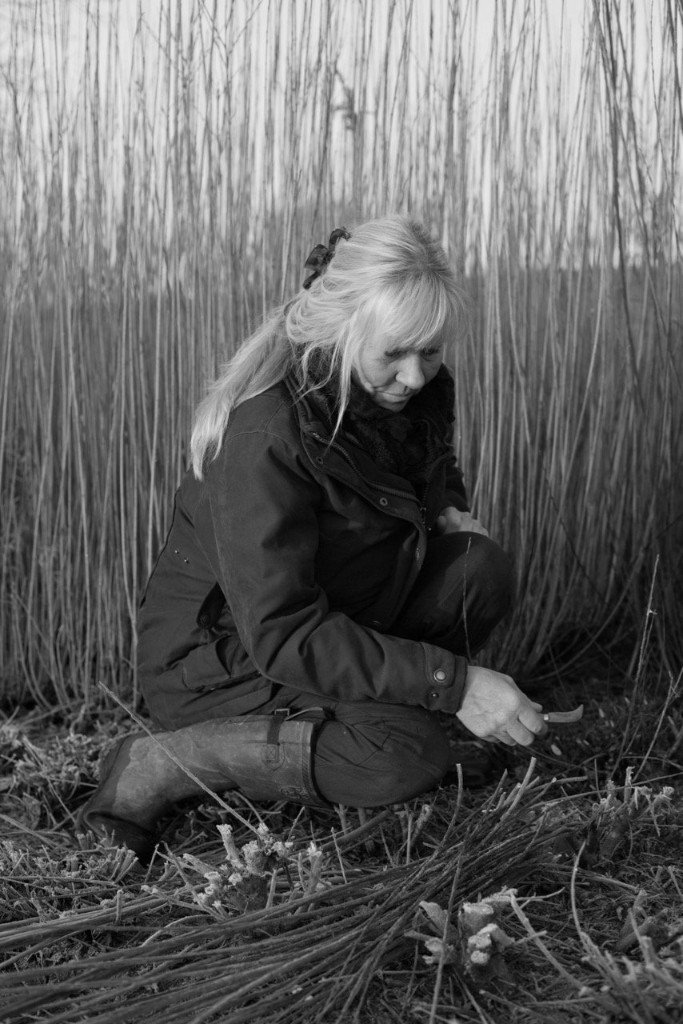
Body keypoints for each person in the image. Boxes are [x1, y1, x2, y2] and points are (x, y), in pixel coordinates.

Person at [80, 216, 548, 861]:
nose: (415, 376)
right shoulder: (265, 437)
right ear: (339, 334)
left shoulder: (409, 393)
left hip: (345, 610)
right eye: (394, 353)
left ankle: (381, 719)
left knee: (478, 567)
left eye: (431, 351)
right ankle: (166, 760)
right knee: (403, 756)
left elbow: (433, 468)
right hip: (226, 662)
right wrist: (456, 684)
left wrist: (447, 511)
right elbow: (281, 629)